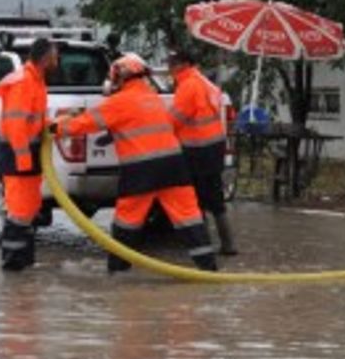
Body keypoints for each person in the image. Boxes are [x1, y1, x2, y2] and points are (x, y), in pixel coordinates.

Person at [54, 53, 218, 273]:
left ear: (121, 77)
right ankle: (208, 268)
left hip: (141, 171)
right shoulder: (152, 98)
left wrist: (54, 128)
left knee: (127, 222)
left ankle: (117, 271)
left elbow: (83, 124)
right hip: (174, 166)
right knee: (189, 218)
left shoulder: (119, 102)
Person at [0, 38, 59, 271]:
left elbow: (35, 122)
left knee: (30, 210)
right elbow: (15, 126)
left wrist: (58, 126)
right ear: (45, 58)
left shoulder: (37, 81)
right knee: (20, 212)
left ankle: (25, 265)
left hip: (28, 155)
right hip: (17, 156)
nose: (57, 60)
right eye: (55, 56)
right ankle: (13, 267)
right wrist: (23, 160)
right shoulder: (24, 82)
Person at [167, 49, 238, 255]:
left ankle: (202, 245)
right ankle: (228, 244)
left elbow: (174, 120)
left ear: (182, 64)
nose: (169, 68)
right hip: (214, 147)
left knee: (195, 198)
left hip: (196, 149)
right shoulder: (204, 82)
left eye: (172, 64)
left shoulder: (188, 86)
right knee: (215, 196)